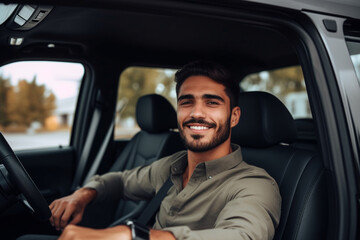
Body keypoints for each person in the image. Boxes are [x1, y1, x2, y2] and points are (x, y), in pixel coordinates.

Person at [47, 60, 281, 240]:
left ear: (234, 117)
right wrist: (81, 195)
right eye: (186, 102)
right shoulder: (172, 166)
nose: (196, 113)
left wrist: (132, 235)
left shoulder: (254, 184)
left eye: (212, 102)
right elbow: (121, 181)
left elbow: (241, 236)